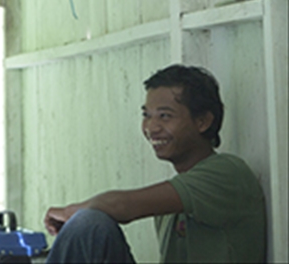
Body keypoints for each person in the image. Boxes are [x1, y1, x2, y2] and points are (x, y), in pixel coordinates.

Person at [43, 64, 266, 263]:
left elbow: (125, 206)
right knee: (91, 224)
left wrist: (70, 212)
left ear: (203, 121)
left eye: (165, 116)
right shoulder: (177, 196)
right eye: (146, 115)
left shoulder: (228, 173)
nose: (152, 127)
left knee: (89, 224)